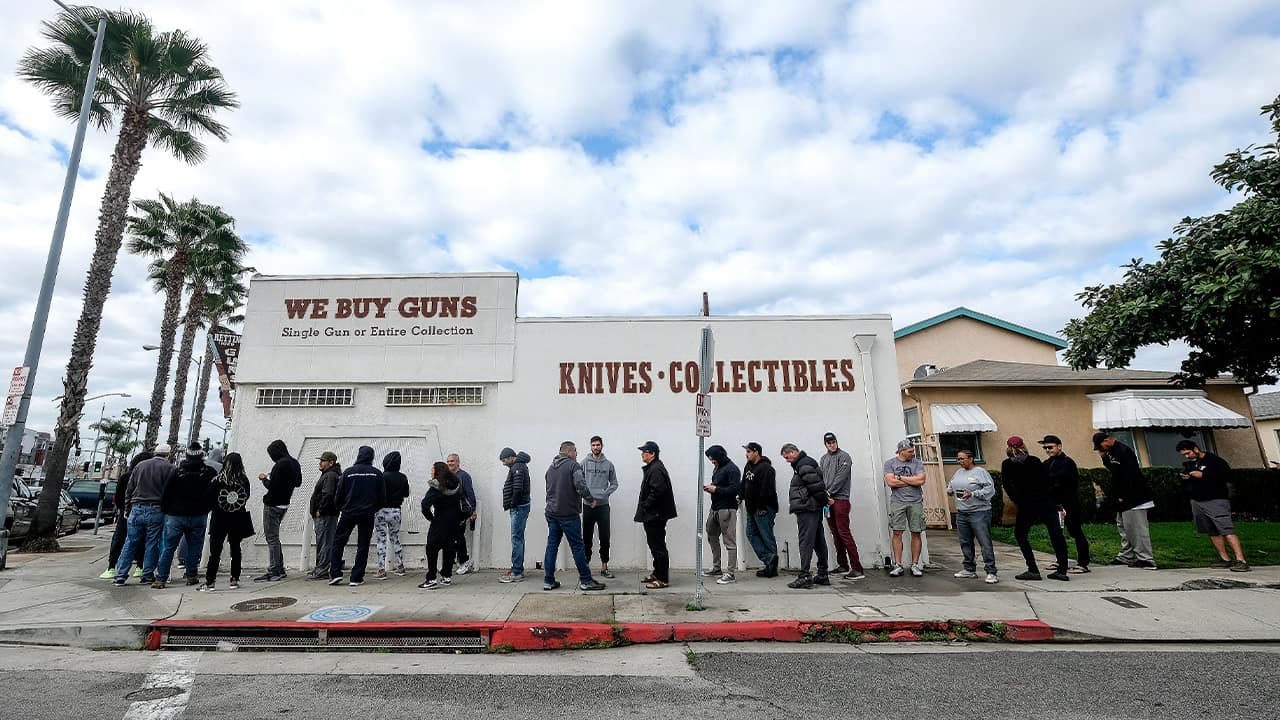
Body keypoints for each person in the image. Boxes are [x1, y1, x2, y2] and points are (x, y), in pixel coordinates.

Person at [1001, 436, 1070, 582]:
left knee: (1021, 534)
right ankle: (1062, 570)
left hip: (1027, 504)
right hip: (1045, 501)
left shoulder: (1007, 464)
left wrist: (1019, 501)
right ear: (1023, 446)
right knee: (1056, 533)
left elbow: (1008, 486)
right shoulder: (1034, 461)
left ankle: (1033, 569)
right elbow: (1047, 481)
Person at [1177, 439, 1250, 572]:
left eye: (1188, 453)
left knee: (1226, 529)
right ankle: (1225, 558)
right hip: (1197, 500)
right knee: (1212, 531)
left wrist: (1203, 475)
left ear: (1196, 449)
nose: (1187, 456)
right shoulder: (1190, 464)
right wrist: (1186, 477)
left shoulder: (1215, 461)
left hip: (1216, 500)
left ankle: (1241, 560)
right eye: (1184, 455)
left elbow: (1227, 476)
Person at [542, 441, 606, 592]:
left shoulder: (550, 468)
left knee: (552, 546)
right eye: (575, 451)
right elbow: (581, 485)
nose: (577, 454)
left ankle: (548, 581)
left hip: (552, 513)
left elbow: (549, 490)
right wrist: (590, 500)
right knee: (578, 547)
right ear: (569, 451)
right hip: (568, 514)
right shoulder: (573, 466)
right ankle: (586, 580)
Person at [154, 442, 217, 588]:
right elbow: (214, 494)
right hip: (198, 514)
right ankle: (191, 575)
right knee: (194, 547)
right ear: (202, 455)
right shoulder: (209, 472)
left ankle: (161, 578)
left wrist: (165, 510)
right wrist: (207, 508)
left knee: (169, 547)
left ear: (187, 455)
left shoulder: (177, 472)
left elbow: (166, 493)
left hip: (176, 515)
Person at [113, 443, 177, 586]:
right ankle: (147, 575)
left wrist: (127, 508)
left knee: (130, 542)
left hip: (137, 508)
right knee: (152, 543)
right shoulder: (171, 468)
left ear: (155, 452)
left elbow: (129, 489)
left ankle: (121, 575)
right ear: (168, 454)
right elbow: (172, 492)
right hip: (157, 509)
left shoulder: (140, 466)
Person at [1094, 432, 1156, 569]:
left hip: (1134, 498)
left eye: (1101, 446)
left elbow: (1130, 475)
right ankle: (1126, 556)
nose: (1101, 449)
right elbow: (1114, 470)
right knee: (1124, 528)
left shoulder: (1123, 451)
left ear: (1108, 440)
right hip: (1121, 499)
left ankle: (1146, 559)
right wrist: (1104, 458)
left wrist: (1124, 494)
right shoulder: (1111, 452)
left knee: (1137, 529)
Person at [328, 446, 387, 587]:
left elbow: (339, 495)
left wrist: (341, 507)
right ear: (371, 457)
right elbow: (383, 497)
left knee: (338, 542)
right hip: (367, 513)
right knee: (363, 545)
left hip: (348, 512)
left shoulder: (348, 473)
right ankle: (356, 577)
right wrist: (373, 508)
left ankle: (335, 573)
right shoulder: (376, 474)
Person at [781, 442, 831, 589]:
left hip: (807, 508)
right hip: (812, 507)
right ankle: (822, 574)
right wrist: (824, 501)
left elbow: (815, 485)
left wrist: (825, 500)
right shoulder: (804, 464)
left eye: (787, 457)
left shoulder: (803, 465)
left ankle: (804, 576)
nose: (787, 460)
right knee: (818, 541)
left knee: (806, 542)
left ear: (793, 452)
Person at [202, 452, 255, 591]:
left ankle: (210, 581)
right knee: (236, 549)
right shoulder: (244, 480)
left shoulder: (217, 480)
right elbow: (246, 497)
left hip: (219, 518)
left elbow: (208, 498)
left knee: (215, 551)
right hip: (237, 518)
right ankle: (234, 578)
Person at [946, 450, 999, 584]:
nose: (960, 461)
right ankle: (969, 569)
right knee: (965, 542)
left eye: (962, 459)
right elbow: (952, 484)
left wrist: (974, 494)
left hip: (979, 512)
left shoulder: (980, 472)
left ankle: (991, 571)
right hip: (962, 512)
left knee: (984, 542)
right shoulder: (959, 472)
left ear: (971, 459)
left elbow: (990, 490)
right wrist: (950, 490)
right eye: (958, 459)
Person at [1040, 435, 1091, 573]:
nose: (1047, 450)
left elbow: (1061, 482)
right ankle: (1061, 560)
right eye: (1045, 448)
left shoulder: (1067, 463)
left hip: (1069, 504)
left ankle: (1083, 562)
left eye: (1050, 447)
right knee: (1056, 533)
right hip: (1053, 505)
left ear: (1059, 446)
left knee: (1075, 531)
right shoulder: (1047, 463)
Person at [819, 432, 864, 580]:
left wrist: (828, 494)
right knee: (835, 534)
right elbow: (821, 479)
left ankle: (857, 568)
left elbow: (840, 478)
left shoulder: (845, 457)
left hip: (840, 500)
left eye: (833, 442)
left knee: (844, 533)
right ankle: (843, 565)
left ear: (837, 442)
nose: (832, 445)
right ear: (825, 444)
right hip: (827, 502)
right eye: (829, 443)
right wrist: (824, 496)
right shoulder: (823, 459)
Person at [256, 439, 302, 582]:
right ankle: (279, 568)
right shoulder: (294, 463)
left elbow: (272, 486)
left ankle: (275, 569)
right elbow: (298, 483)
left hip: (272, 505)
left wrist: (264, 479)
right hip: (284, 504)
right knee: (275, 537)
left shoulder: (279, 465)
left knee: (272, 538)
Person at [101, 451, 150, 579]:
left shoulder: (126, 477)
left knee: (120, 538)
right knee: (142, 539)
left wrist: (122, 508)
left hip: (126, 511)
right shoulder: (148, 476)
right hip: (145, 510)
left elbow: (118, 497)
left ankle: (112, 567)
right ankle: (140, 566)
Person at [635, 441, 677, 589]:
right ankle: (657, 572)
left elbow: (659, 490)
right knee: (654, 544)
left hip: (655, 514)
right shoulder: (653, 467)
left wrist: (646, 504)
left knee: (658, 546)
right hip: (654, 514)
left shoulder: (656, 469)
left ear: (652, 453)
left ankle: (663, 579)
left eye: (644, 451)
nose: (642, 454)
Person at [418, 461, 466, 589]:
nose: (431, 471)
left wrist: (431, 518)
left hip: (439, 522)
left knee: (432, 549)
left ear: (437, 471)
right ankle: (446, 576)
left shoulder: (437, 486)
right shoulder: (457, 483)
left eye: (432, 469)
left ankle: (431, 578)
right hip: (454, 521)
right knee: (449, 548)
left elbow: (425, 505)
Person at [883, 439, 927, 577]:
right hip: (898, 502)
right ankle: (898, 564)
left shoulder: (917, 463)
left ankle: (915, 564)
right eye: (910, 451)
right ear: (901, 451)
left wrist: (900, 478)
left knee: (916, 532)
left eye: (913, 451)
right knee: (897, 532)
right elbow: (890, 482)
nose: (913, 453)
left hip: (915, 502)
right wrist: (911, 481)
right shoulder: (890, 463)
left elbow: (921, 480)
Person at [701, 444, 741, 585]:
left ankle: (730, 573)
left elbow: (735, 489)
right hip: (715, 507)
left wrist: (716, 489)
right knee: (711, 534)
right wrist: (712, 487)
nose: (712, 461)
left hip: (727, 508)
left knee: (729, 541)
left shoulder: (732, 469)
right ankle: (716, 567)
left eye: (713, 458)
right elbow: (721, 485)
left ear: (719, 456)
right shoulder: (718, 467)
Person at [580, 436, 619, 579]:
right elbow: (579, 483)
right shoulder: (583, 463)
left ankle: (604, 567)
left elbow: (614, 484)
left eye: (598, 445)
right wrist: (589, 498)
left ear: (602, 446)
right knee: (587, 538)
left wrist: (602, 496)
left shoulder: (608, 465)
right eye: (593, 445)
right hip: (588, 506)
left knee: (604, 537)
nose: (596, 447)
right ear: (590, 447)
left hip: (603, 506)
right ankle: (586, 568)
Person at [741, 442, 779, 578]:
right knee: (750, 533)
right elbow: (744, 483)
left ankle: (771, 567)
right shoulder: (748, 466)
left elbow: (767, 490)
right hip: (751, 508)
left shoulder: (766, 468)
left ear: (756, 452)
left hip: (763, 508)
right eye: (746, 451)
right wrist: (741, 496)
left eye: (749, 452)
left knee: (766, 536)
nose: (747, 454)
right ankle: (770, 559)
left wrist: (762, 507)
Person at [375, 451, 410, 580]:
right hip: (396, 511)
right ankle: (400, 566)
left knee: (381, 539)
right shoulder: (403, 477)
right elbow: (406, 494)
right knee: (395, 538)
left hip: (381, 511)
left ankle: (381, 569)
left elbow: (376, 493)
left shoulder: (381, 476)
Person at [498, 447, 532, 583]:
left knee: (516, 539)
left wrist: (512, 504)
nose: (504, 463)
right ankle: (518, 568)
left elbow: (517, 489)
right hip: (521, 507)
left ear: (512, 457)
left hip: (519, 508)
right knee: (518, 538)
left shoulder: (517, 467)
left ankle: (516, 571)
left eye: (505, 460)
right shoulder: (520, 466)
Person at [306, 451, 341, 580]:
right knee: (324, 541)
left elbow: (328, 494)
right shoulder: (329, 474)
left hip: (326, 515)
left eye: (323, 460)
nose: (320, 463)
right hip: (327, 514)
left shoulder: (330, 475)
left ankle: (322, 570)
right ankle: (320, 568)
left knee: (325, 542)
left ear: (331, 462)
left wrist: (320, 510)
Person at [447, 453, 478, 575]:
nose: (450, 463)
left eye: (452, 461)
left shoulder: (464, 476)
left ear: (458, 462)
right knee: (450, 538)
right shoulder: (447, 476)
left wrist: (472, 511)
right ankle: (456, 561)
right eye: (448, 461)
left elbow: (470, 494)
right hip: (448, 512)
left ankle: (464, 561)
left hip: (461, 512)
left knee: (458, 537)